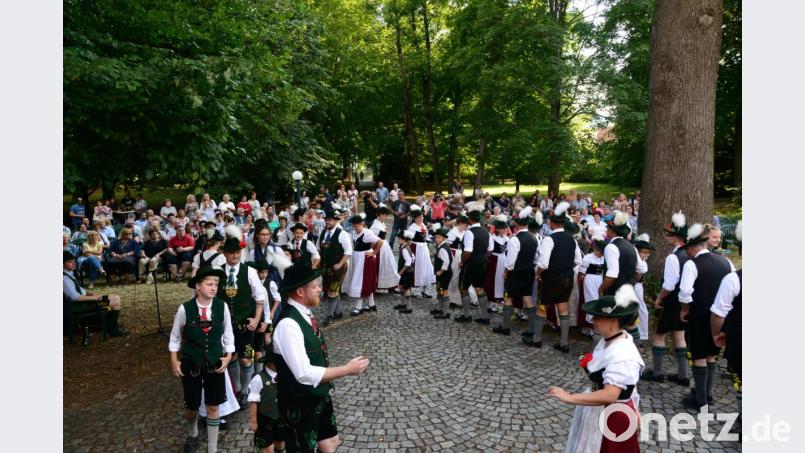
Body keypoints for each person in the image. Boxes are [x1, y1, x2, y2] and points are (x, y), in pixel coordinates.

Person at [271, 263, 370, 453]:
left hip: (318, 397)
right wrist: (347, 370)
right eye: (315, 286)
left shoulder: (305, 314)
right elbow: (303, 373)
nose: (320, 289)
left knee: (330, 442)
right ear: (300, 291)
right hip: (299, 403)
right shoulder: (288, 325)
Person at [549, 284, 644, 453]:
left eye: (598, 317)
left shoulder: (623, 353)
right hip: (597, 411)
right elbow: (628, 382)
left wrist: (570, 397)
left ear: (613, 321)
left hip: (611, 417)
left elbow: (610, 394)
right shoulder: (610, 339)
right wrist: (635, 406)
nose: (592, 321)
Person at [168, 266, 234, 453]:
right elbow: (175, 338)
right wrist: (174, 361)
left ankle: (212, 448)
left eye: (216, 284)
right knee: (192, 407)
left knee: (213, 406)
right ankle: (193, 432)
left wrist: (228, 356)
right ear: (198, 286)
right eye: (209, 284)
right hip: (191, 362)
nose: (214, 287)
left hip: (215, 362)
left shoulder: (222, 306)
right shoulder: (185, 309)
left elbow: (228, 333)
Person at [678, 223, 735, 409]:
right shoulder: (726, 262)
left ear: (694, 246)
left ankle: (701, 400)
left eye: (688, 248)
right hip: (720, 316)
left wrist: (684, 309)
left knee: (699, 355)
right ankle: (708, 395)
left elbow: (685, 292)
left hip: (699, 315)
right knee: (711, 355)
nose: (687, 252)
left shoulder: (691, 264)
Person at [218, 225, 268, 408]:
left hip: (244, 325)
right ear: (225, 254)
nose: (235, 256)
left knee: (246, 358)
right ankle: (236, 387)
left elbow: (260, 297)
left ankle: (245, 389)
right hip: (225, 326)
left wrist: (256, 319)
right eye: (231, 253)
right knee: (230, 357)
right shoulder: (218, 271)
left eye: (238, 252)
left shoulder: (249, 271)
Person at [642, 212, 691, 387]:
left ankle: (657, 372)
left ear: (677, 237)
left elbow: (669, 285)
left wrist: (659, 299)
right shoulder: (691, 254)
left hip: (671, 303)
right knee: (679, 336)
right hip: (685, 304)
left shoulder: (674, 257)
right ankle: (683, 374)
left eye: (669, 234)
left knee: (659, 335)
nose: (666, 237)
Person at [532, 202, 582, 351]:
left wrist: (537, 274)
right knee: (563, 308)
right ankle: (564, 343)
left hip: (551, 279)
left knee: (542, 308)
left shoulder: (549, 239)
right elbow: (578, 261)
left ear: (552, 223)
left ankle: (536, 340)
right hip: (567, 279)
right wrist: (565, 268)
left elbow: (544, 263)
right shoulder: (572, 239)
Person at [710, 220, 742, 416]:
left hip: (741, 339)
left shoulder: (734, 279)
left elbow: (718, 313)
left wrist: (717, 334)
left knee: (742, 378)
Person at [63, 251, 128, 340]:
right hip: (79, 307)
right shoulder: (64, 278)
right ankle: (113, 330)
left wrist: (91, 293)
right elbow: (75, 297)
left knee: (114, 298)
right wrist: (96, 297)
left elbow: (79, 290)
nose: (74, 263)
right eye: (70, 262)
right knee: (115, 302)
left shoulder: (68, 274)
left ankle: (110, 324)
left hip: (83, 304)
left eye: (74, 261)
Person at [495, 207, 539, 337]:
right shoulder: (534, 238)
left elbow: (511, 261)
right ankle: (532, 329)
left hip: (516, 273)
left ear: (517, 223)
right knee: (528, 298)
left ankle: (506, 327)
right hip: (529, 272)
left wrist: (506, 272)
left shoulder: (515, 239)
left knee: (508, 297)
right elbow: (536, 258)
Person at [455, 201, 491, 324]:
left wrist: (461, 262)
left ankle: (467, 315)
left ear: (470, 219)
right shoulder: (486, 231)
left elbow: (468, 251)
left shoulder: (470, 232)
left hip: (470, 264)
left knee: (463, 288)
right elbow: (490, 249)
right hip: (483, 262)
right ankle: (485, 316)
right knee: (479, 288)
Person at [317, 210, 353, 324]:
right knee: (332, 289)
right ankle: (337, 312)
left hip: (339, 267)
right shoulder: (323, 233)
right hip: (326, 267)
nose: (327, 222)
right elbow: (318, 248)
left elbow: (348, 251)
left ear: (336, 221)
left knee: (332, 290)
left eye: (330, 220)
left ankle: (329, 316)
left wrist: (339, 264)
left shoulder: (342, 234)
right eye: (326, 219)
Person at [342, 215, 382, 315]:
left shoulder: (367, 233)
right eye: (354, 226)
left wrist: (373, 252)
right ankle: (372, 304)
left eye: (357, 226)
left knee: (360, 282)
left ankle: (358, 307)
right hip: (357, 258)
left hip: (365, 259)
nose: (355, 228)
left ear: (362, 224)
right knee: (364, 281)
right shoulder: (354, 233)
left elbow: (380, 241)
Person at [247, 352, 285, 453]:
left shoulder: (285, 375)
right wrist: (254, 422)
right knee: (266, 446)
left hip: (281, 417)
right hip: (264, 419)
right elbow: (253, 402)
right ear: (269, 362)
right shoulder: (259, 378)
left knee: (280, 442)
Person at [577, 235, 607, 341]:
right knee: (590, 300)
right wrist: (580, 283)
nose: (601, 254)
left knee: (597, 301)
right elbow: (581, 273)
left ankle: (594, 326)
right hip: (589, 280)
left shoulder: (603, 259)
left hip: (599, 280)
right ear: (595, 249)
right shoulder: (588, 258)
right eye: (600, 251)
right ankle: (588, 326)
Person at [406, 208, 437, 297]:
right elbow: (409, 240)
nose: (422, 218)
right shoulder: (412, 228)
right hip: (417, 249)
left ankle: (424, 289)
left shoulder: (423, 225)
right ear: (415, 218)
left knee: (426, 267)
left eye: (422, 217)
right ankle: (410, 288)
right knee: (415, 268)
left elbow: (425, 236)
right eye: (419, 217)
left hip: (424, 248)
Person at [370, 205, 401, 291]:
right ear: (380, 215)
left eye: (387, 215)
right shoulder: (375, 226)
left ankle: (391, 286)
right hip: (379, 247)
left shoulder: (381, 223)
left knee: (389, 265)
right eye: (385, 215)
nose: (386, 217)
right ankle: (375, 285)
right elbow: (372, 238)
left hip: (384, 247)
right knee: (379, 266)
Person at [431, 228, 453, 319]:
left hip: (444, 274)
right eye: (436, 237)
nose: (437, 239)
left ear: (443, 238)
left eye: (439, 237)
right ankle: (440, 309)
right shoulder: (442, 246)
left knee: (444, 292)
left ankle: (445, 313)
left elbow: (447, 261)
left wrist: (441, 271)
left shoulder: (443, 249)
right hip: (441, 274)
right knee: (439, 290)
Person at [394, 230, 416, 314]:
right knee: (401, 286)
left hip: (406, 272)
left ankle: (409, 308)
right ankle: (403, 303)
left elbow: (408, 261)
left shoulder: (405, 249)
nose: (398, 240)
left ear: (403, 239)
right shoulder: (404, 246)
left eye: (399, 239)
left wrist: (401, 272)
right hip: (406, 271)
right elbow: (413, 257)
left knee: (406, 288)